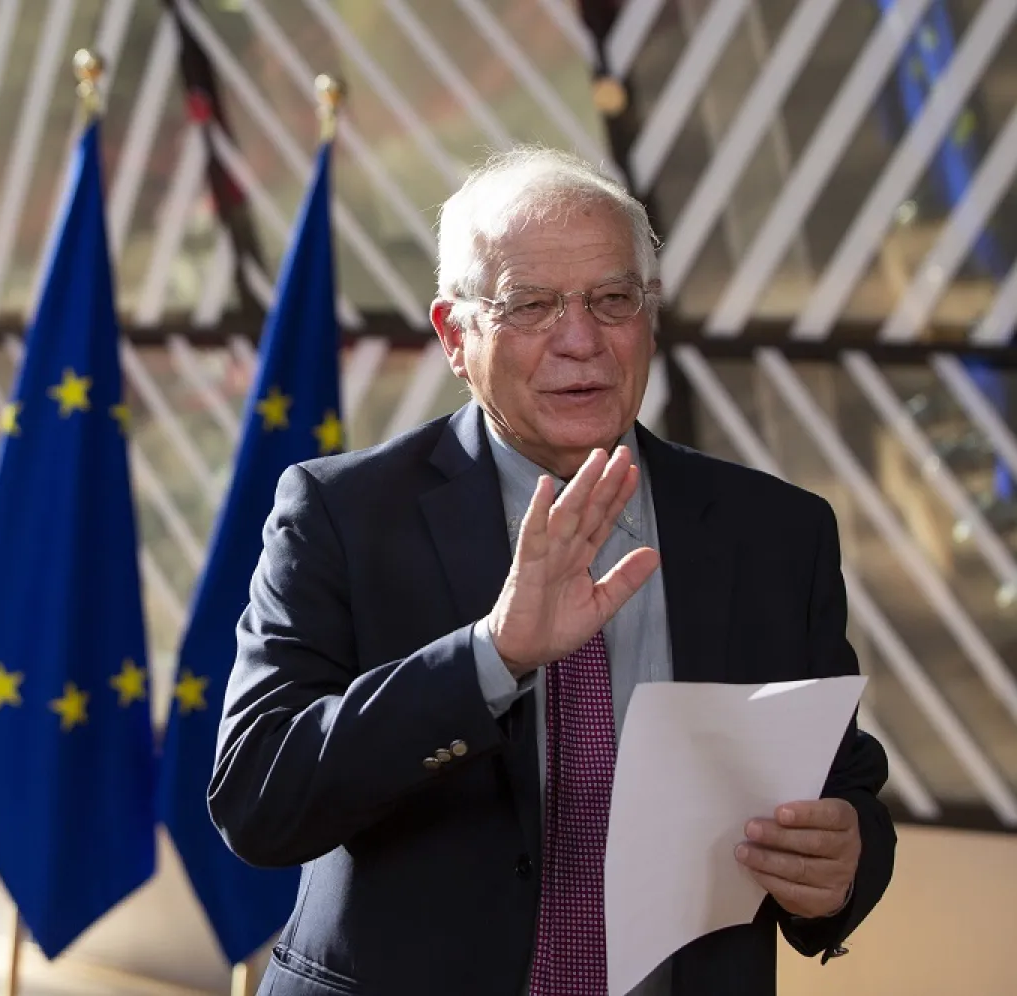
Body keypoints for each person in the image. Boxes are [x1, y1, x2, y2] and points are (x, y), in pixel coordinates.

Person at [207, 146, 894, 996]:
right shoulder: (339, 514)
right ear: (456, 337)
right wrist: (489, 656)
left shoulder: (776, 531)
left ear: (649, 318)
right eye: (529, 306)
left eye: (612, 300)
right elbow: (259, 799)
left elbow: (842, 782)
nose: (581, 340)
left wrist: (846, 863)